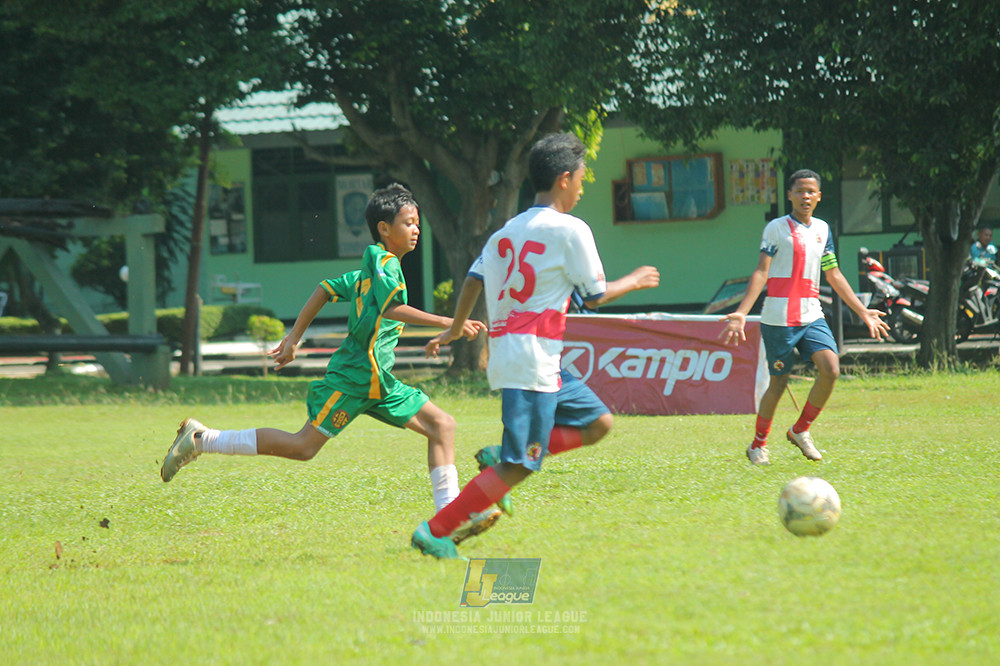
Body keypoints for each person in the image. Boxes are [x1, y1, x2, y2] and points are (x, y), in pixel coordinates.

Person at [160, 184, 500, 543]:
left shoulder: (371, 272)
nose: (416, 229)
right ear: (384, 229)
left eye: (417, 223)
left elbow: (325, 288)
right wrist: (451, 322)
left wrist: (294, 338)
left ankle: (448, 519)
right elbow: (391, 309)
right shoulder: (384, 264)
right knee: (302, 447)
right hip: (353, 379)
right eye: (408, 223)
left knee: (442, 425)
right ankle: (201, 439)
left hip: (379, 382)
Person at [410, 132, 660, 559]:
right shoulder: (570, 230)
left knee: (598, 422)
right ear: (564, 178)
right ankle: (437, 530)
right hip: (531, 360)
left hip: (535, 357)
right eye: (581, 179)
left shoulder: (504, 233)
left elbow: (473, 279)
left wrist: (455, 327)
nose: (582, 188)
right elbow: (595, 295)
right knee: (521, 464)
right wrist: (635, 280)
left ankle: (495, 456)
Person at [720, 169, 890, 465]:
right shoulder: (776, 228)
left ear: (819, 196)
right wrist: (742, 312)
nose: (805, 196)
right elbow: (762, 271)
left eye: (811, 191)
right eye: (799, 191)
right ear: (789, 195)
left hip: (812, 314)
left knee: (831, 369)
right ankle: (758, 445)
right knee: (779, 382)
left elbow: (833, 274)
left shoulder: (823, 230)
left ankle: (800, 430)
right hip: (778, 318)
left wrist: (862, 311)